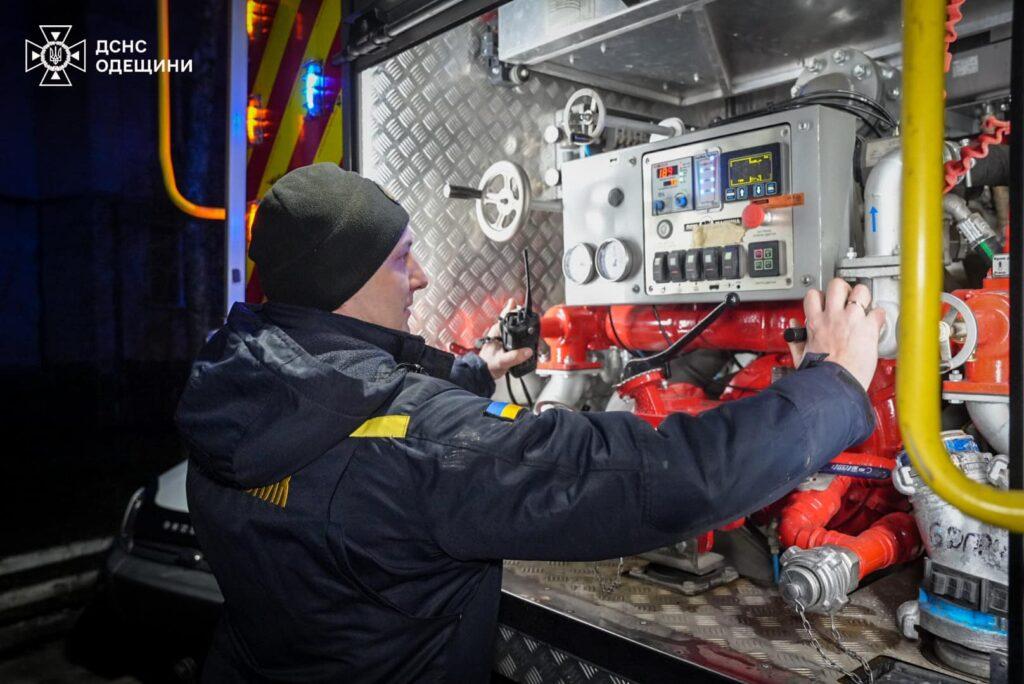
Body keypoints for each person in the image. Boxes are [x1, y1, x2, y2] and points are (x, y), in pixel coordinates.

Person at [176, 163, 885, 682]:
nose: (420, 277)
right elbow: (668, 479)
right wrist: (833, 383)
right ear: (347, 285)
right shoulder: (426, 448)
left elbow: (354, 406)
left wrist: (468, 374)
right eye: (400, 261)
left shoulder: (229, 388)